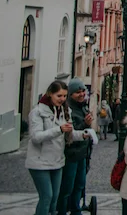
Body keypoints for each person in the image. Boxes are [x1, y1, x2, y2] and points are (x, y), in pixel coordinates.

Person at [26, 81, 88, 215]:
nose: (62, 99)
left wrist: (83, 135)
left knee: (55, 198)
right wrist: (59, 129)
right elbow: (35, 137)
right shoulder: (37, 112)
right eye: (59, 96)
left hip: (57, 161)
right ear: (50, 94)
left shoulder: (65, 111)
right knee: (46, 196)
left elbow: (68, 136)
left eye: (65, 96)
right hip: (39, 162)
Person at [57, 78, 92, 215]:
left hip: (82, 153)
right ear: (70, 94)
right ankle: (63, 210)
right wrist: (85, 124)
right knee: (67, 186)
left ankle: (76, 209)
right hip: (70, 154)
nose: (82, 94)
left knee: (79, 184)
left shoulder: (83, 106)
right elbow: (70, 132)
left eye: (83, 91)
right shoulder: (68, 109)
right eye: (78, 92)